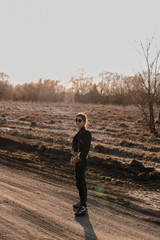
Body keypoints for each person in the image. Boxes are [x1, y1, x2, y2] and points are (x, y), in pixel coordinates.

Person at [70, 113, 92, 216]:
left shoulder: (87, 134)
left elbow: (85, 151)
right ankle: (82, 202)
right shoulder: (77, 135)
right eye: (76, 120)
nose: (77, 122)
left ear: (84, 122)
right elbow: (74, 150)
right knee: (79, 183)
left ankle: (83, 206)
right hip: (77, 161)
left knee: (81, 183)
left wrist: (79, 162)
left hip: (82, 161)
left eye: (79, 120)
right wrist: (72, 160)